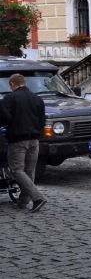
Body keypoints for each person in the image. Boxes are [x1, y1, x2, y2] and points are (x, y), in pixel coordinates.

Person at [0, 73, 46, 212]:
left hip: (18, 140)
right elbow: (42, 122)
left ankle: (37, 197)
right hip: (34, 140)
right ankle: (22, 202)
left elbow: (5, 118)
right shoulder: (37, 99)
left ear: (13, 84)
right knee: (29, 171)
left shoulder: (10, 98)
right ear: (24, 83)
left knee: (16, 171)